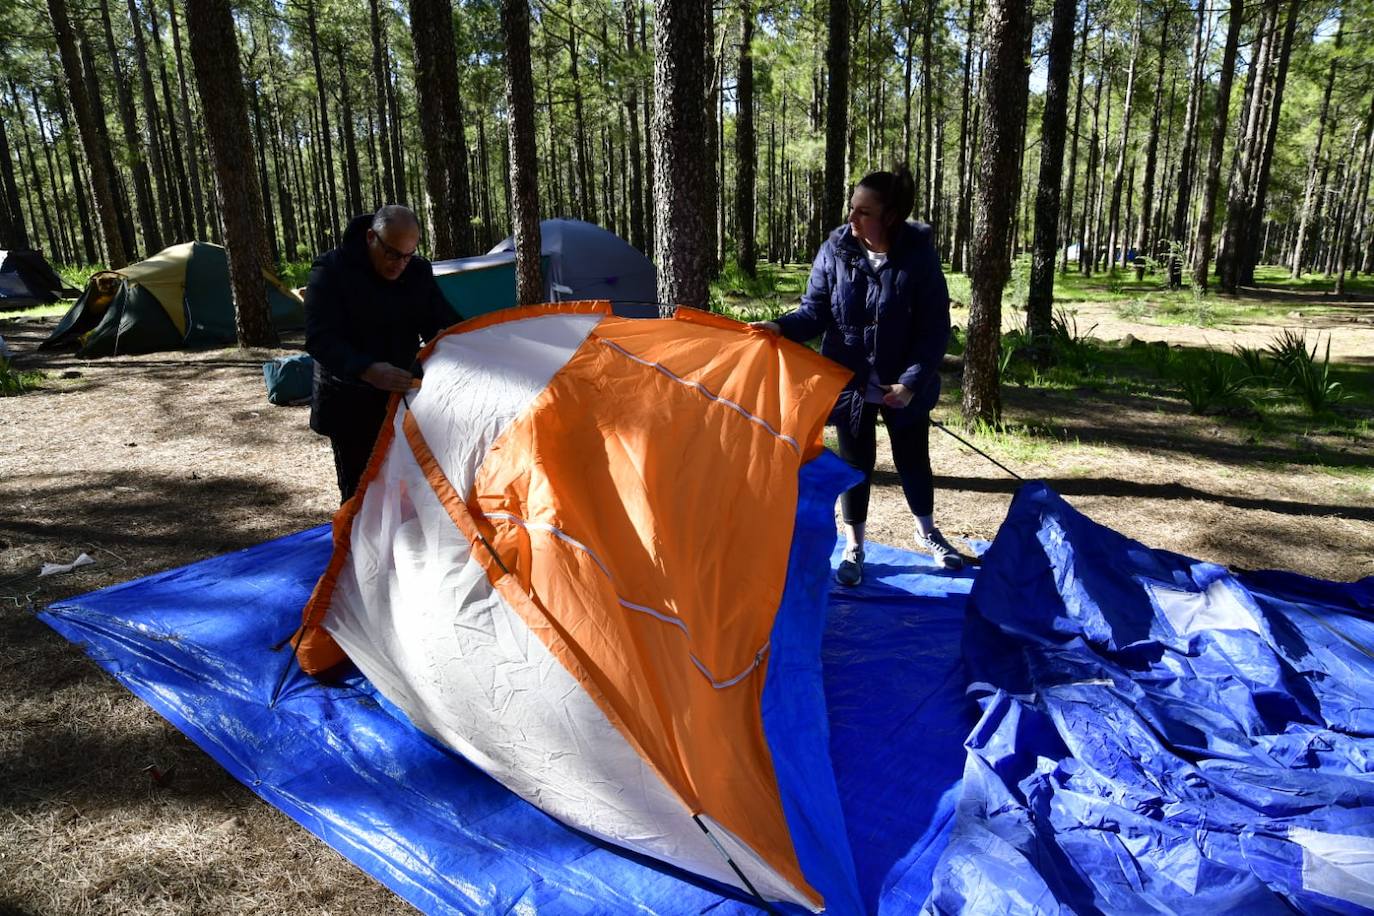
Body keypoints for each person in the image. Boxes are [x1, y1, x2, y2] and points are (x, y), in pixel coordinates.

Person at [752, 166, 958, 585]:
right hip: (850, 380)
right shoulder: (837, 248)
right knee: (854, 463)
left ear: (892, 217)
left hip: (903, 383)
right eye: (852, 208)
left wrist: (911, 382)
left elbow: (935, 328)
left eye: (864, 212)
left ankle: (929, 533)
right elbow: (814, 312)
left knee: (913, 459)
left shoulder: (918, 254)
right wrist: (780, 326)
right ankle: (854, 546)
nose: (853, 219)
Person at [305, 205, 458, 503]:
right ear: (371, 237)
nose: (400, 263)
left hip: (404, 397)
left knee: (413, 489)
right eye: (392, 254)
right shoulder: (331, 270)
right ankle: (359, 549)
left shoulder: (416, 271)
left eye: (407, 254)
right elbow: (319, 338)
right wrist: (367, 369)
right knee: (363, 492)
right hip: (350, 401)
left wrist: (467, 341)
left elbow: (443, 323)